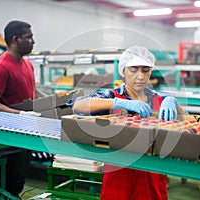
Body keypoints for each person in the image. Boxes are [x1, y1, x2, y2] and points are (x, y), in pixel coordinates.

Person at [66, 45, 186, 200]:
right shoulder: (111, 95)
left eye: (145, 70)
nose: (140, 76)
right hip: (120, 173)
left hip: (153, 174)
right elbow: (78, 106)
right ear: (123, 71)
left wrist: (173, 102)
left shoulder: (161, 99)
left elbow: (185, 120)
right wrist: (117, 103)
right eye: (133, 70)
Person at [0, 20, 46, 197]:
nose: (33, 41)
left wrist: (50, 101)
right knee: (12, 177)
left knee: (21, 175)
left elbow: (31, 89)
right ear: (15, 39)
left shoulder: (27, 64)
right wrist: (21, 114)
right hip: (10, 133)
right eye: (29, 37)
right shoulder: (1, 66)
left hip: (26, 130)